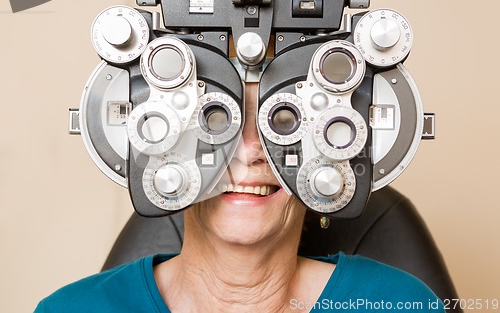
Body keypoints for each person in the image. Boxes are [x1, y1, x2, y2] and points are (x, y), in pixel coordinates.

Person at [35, 83, 444, 312]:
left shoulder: (398, 306)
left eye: (283, 121)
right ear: (168, 146)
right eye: (218, 120)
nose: (249, 151)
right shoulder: (74, 310)